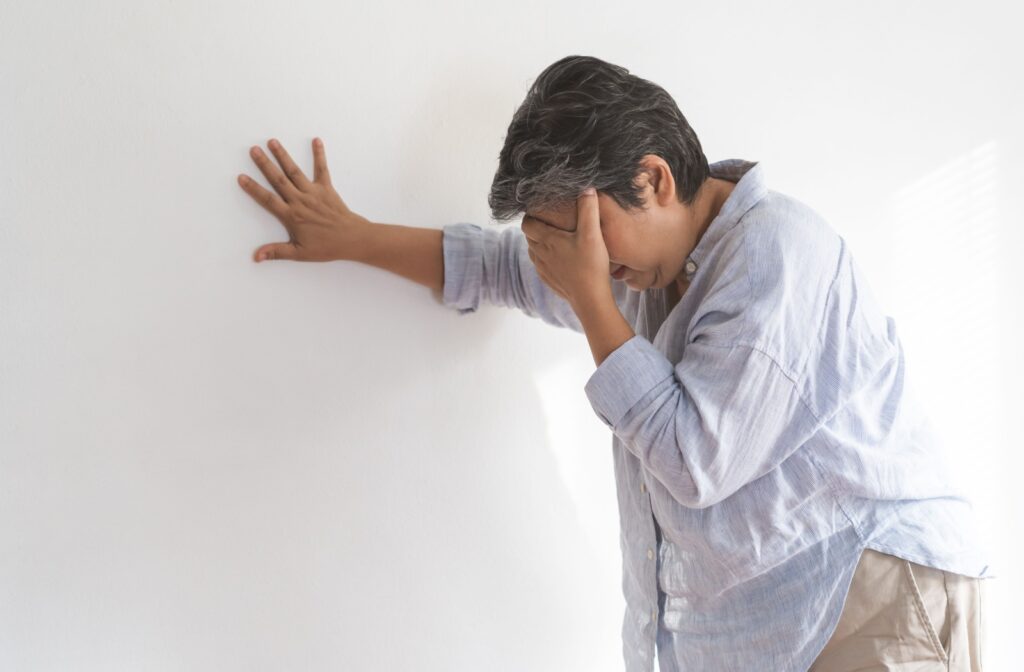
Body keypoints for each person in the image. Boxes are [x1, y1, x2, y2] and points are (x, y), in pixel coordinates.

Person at [237, 55, 993, 671]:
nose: (576, 265)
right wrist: (351, 237)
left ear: (655, 180)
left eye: (581, 238)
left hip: (871, 599)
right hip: (774, 630)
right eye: (560, 247)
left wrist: (593, 301)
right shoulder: (644, 269)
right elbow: (498, 267)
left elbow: (696, 463)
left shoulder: (774, 254)